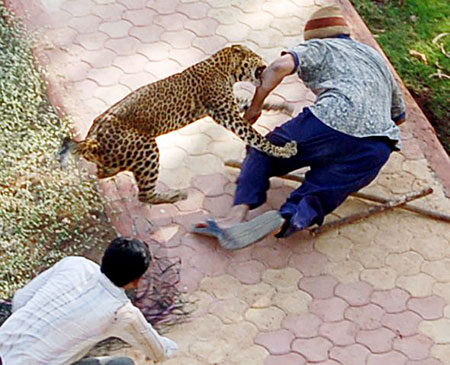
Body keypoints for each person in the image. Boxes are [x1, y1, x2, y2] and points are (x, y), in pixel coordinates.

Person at [193, 5, 406, 249]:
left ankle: (235, 217)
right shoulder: (375, 59)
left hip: (330, 120)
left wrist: (254, 108)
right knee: (324, 188)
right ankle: (290, 216)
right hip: (377, 146)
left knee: (263, 150)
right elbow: (399, 117)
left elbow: (276, 68)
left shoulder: (320, 46)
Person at [0, 237, 178, 365]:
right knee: (123, 364)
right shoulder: (123, 313)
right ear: (136, 280)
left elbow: (20, 300)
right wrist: (169, 346)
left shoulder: (74, 265)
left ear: (104, 257)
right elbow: (159, 353)